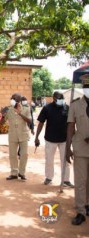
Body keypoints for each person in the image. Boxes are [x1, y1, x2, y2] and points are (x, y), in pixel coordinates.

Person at [35, 91, 73, 187]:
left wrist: (71, 139)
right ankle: (49, 177)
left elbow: (71, 124)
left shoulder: (67, 108)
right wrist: (36, 137)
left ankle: (66, 180)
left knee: (65, 160)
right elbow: (41, 123)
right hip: (50, 140)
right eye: (59, 98)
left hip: (64, 140)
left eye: (62, 98)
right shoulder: (47, 108)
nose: (61, 100)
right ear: (54, 98)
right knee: (49, 160)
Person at [65, 76, 89, 225]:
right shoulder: (75, 105)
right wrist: (67, 148)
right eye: (86, 86)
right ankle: (80, 211)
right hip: (80, 147)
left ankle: (88, 204)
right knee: (80, 181)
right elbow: (70, 127)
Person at [1, 93, 32, 181]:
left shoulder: (26, 109)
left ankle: (22, 173)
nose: (12, 99)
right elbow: (2, 123)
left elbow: (30, 121)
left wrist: (20, 114)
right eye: (11, 98)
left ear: (19, 100)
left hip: (23, 135)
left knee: (24, 154)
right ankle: (14, 173)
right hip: (12, 135)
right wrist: (3, 115)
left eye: (14, 98)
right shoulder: (8, 109)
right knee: (12, 155)